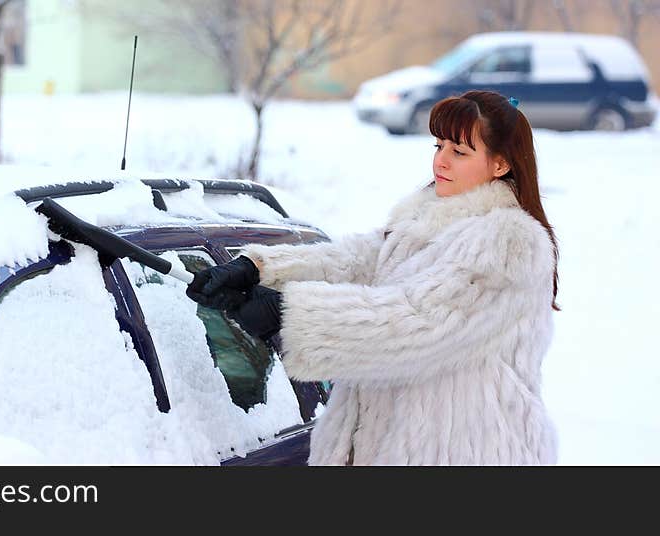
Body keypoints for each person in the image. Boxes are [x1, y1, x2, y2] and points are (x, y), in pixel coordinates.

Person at [186, 90, 559, 465]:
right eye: (439, 145)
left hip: (465, 449)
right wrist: (261, 269)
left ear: (500, 165)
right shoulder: (427, 222)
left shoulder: (509, 244)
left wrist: (288, 313)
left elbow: (418, 320)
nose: (440, 161)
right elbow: (357, 260)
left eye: (459, 152)